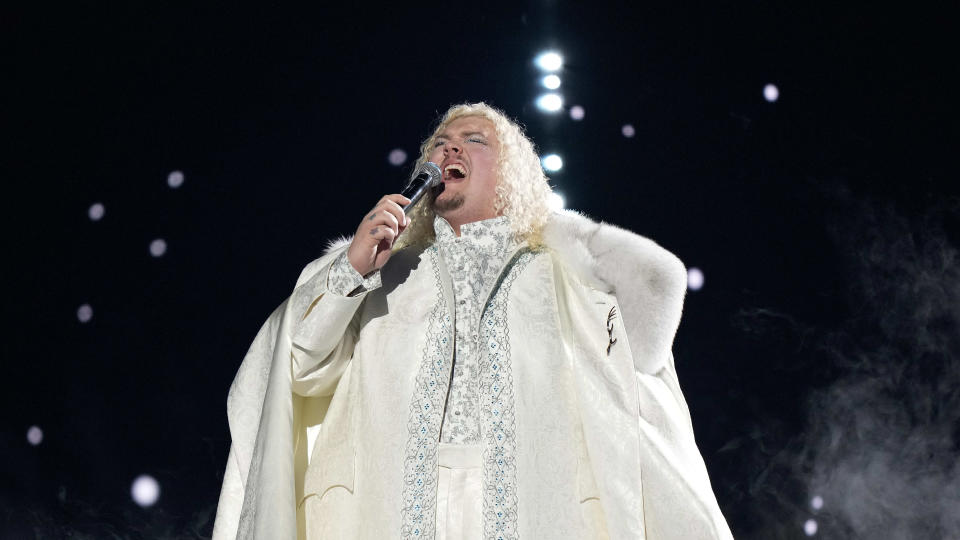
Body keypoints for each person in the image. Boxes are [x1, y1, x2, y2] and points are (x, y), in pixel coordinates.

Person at [212, 103, 733, 539]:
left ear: (512, 174)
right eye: (441, 142)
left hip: (535, 508)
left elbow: (651, 313)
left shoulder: (561, 274)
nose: (450, 149)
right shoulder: (384, 275)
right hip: (394, 508)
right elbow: (294, 370)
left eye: (474, 140)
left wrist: (577, 240)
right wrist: (350, 271)